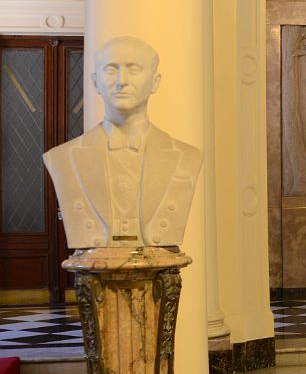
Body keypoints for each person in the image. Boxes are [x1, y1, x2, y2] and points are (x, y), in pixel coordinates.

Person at [43, 36, 201, 248]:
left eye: (133, 68)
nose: (121, 80)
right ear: (95, 82)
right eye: (110, 69)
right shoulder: (62, 157)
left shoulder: (186, 156)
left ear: (155, 82)